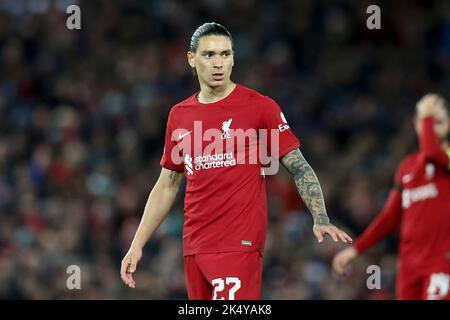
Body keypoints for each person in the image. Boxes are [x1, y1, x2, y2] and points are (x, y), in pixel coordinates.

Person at [120, 22, 352, 300]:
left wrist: (320, 217)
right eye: (209, 55)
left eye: (225, 54)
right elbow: (168, 183)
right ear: (191, 59)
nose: (219, 63)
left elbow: (298, 166)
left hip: (238, 243)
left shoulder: (260, 107)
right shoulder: (179, 115)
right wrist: (137, 244)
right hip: (194, 245)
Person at [333, 93, 450, 300]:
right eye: (426, 121)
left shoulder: (447, 157)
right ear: (415, 124)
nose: (431, 126)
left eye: (437, 121)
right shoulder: (406, 167)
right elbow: (389, 217)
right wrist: (355, 250)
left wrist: (426, 117)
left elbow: (432, 153)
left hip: (441, 260)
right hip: (409, 264)